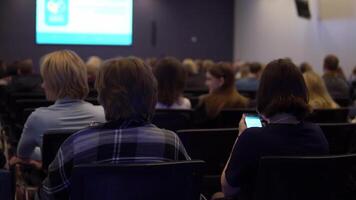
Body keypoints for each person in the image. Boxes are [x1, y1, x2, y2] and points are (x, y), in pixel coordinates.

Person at [38, 57, 190, 200]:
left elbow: (47, 195)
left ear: (102, 97)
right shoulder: (171, 144)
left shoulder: (77, 144)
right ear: (152, 95)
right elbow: (190, 192)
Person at [221, 59, 329, 200]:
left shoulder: (252, 138)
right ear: (302, 91)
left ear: (264, 93)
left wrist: (240, 136)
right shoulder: (317, 134)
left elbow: (228, 189)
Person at [16, 50, 105, 162]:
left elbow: (23, 154)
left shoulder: (37, 118)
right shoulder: (104, 114)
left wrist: (48, 152)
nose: (42, 85)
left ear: (54, 83)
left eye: (45, 80)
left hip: (55, 179)